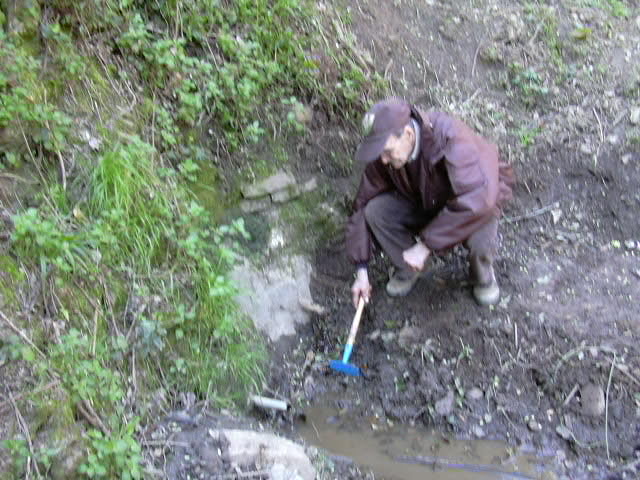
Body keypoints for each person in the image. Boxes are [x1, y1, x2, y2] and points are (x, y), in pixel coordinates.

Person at [346, 98, 515, 308]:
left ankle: (483, 277)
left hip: (473, 204)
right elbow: (362, 204)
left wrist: (425, 246)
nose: (383, 160)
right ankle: (410, 268)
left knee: (482, 227)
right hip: (427, 201)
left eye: (387, 152)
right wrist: (361, 271)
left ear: (408, 134)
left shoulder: (451, 138)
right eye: (379, 153)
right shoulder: (385, 155)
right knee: (375, 211)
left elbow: (480, 198)